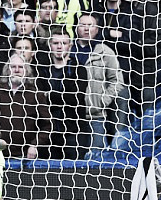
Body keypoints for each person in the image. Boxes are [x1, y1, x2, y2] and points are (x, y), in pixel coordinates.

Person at [37, 27, 90, 159]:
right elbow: (39, 99)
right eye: (56, 43)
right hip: (48, 132)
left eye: (63, 43)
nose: (59, 47)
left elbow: (76, 98)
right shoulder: (42, 70)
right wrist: (63, 96)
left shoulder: (79, 69)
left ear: (70, 46)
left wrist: (50, 95)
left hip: (74, 131)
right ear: (50, 45)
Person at [0, 54, 51, 158]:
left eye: (21, 67)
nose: (17, 70)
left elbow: (47, 125)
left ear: (27, 71)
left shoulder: (36, 95)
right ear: (7, 70)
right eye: (13, 67)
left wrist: (35, 145)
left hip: (25, 156)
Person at [84, 31, 129, 159]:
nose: (86, 29)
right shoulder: (67, 50)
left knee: (96, 160)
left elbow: (117, 81)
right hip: (70, 116)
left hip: (95, 114)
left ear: (97, 30)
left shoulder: (105, 52)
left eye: (90, 25)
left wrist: (102, 101)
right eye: (83, 24)